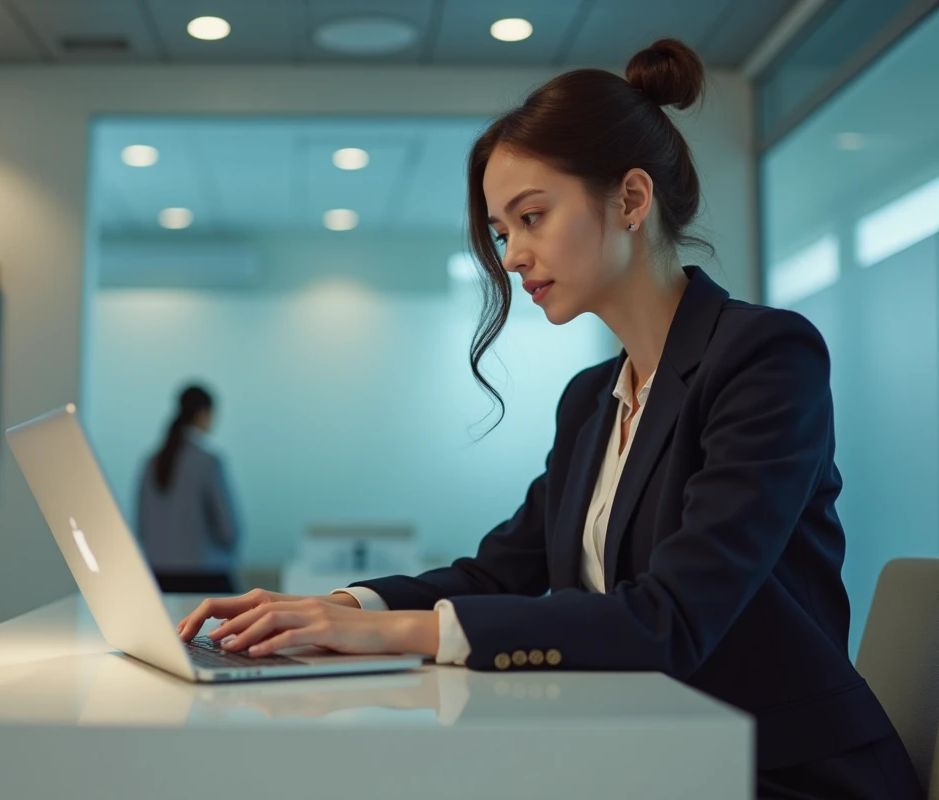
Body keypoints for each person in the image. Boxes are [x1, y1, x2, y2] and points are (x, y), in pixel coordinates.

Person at [178, 40, 922, 798]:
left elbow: (672, 618)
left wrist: (392, 632)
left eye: (531, 217)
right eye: (503, 232)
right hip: (644, 753)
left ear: (632, 200)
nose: (513, 256)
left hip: (774, 770)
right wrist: (335, 608)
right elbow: (501, 570)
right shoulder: (592, 399)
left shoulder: (766, 357)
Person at [137, 385, 241, 594]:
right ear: (203, 413)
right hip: (206, 576)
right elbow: (227, 529)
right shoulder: (208, 462)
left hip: (159, 576)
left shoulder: (152, 462)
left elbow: (142, 524)